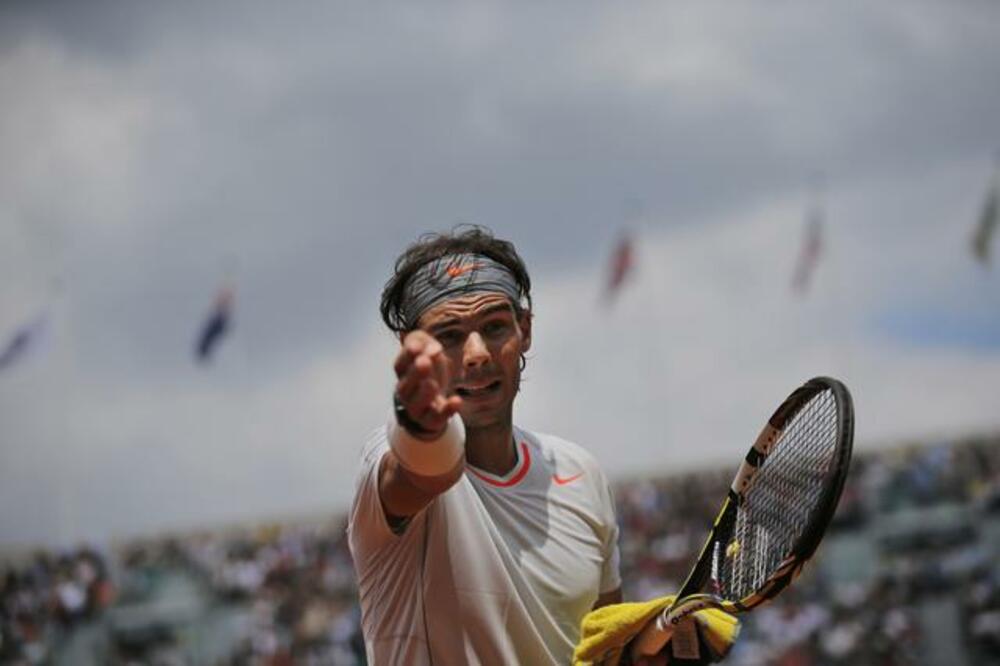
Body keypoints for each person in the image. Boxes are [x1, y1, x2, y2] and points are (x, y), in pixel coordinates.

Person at [348, 226, 622, 665]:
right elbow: (419, 473)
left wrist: (659, 647)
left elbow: (608, 646)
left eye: (494, 327)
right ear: (412, 348)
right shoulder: (394, 451)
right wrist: (422, 425)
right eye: (449, 336)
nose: (476, 354)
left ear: (524, 330)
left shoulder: (580, 472)